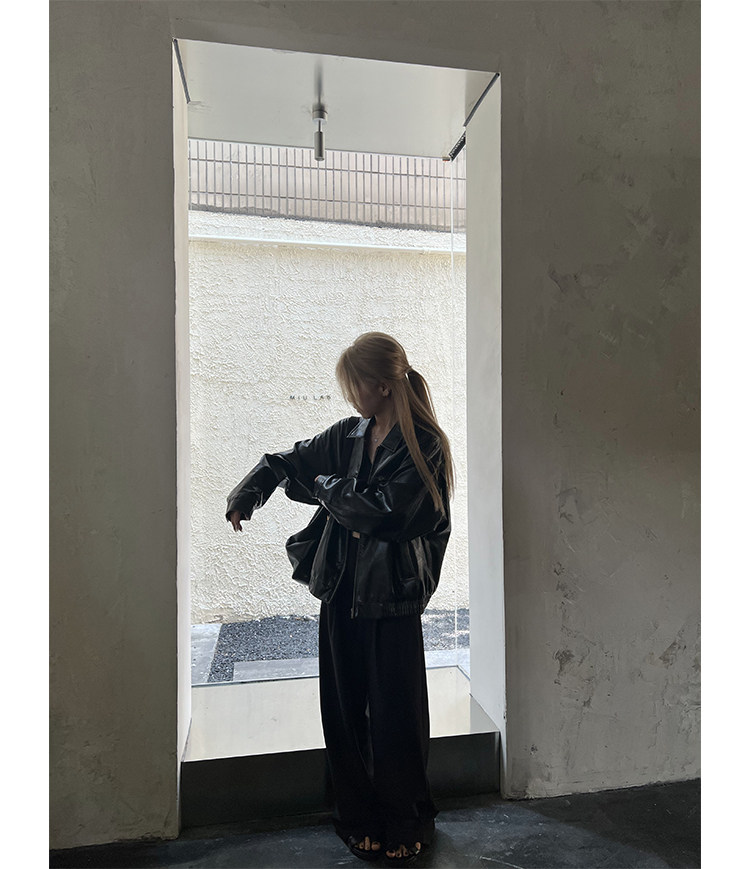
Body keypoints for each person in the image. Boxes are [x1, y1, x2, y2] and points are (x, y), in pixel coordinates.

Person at [226, 332, 454, 865]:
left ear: (381, 386)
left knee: (396, 716)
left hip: (392, 599)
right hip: (340, 591)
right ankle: (357, 819)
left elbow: (387, 515)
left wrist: (327, 488)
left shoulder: (425, 444)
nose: (349, 397)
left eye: (354, 386)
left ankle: (406, 820)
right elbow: (286, 461)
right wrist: (248, 494)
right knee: (345, 713)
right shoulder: (350, 435)